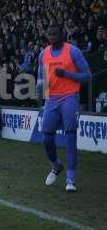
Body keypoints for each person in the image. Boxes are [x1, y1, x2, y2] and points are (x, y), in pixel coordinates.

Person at [37, 25, 91, 193]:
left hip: (70, 97)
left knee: (70, 137)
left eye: (55, 34)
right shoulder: (43, 53)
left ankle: (70, 179)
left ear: (62, 34)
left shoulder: (73, 51)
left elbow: (88, 76)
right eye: (49, 34)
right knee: (46, 138)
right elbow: (42, 77)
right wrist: (42, 87)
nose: (52, 37)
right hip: (51, 100)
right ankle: (56, 165)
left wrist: (67, 74)